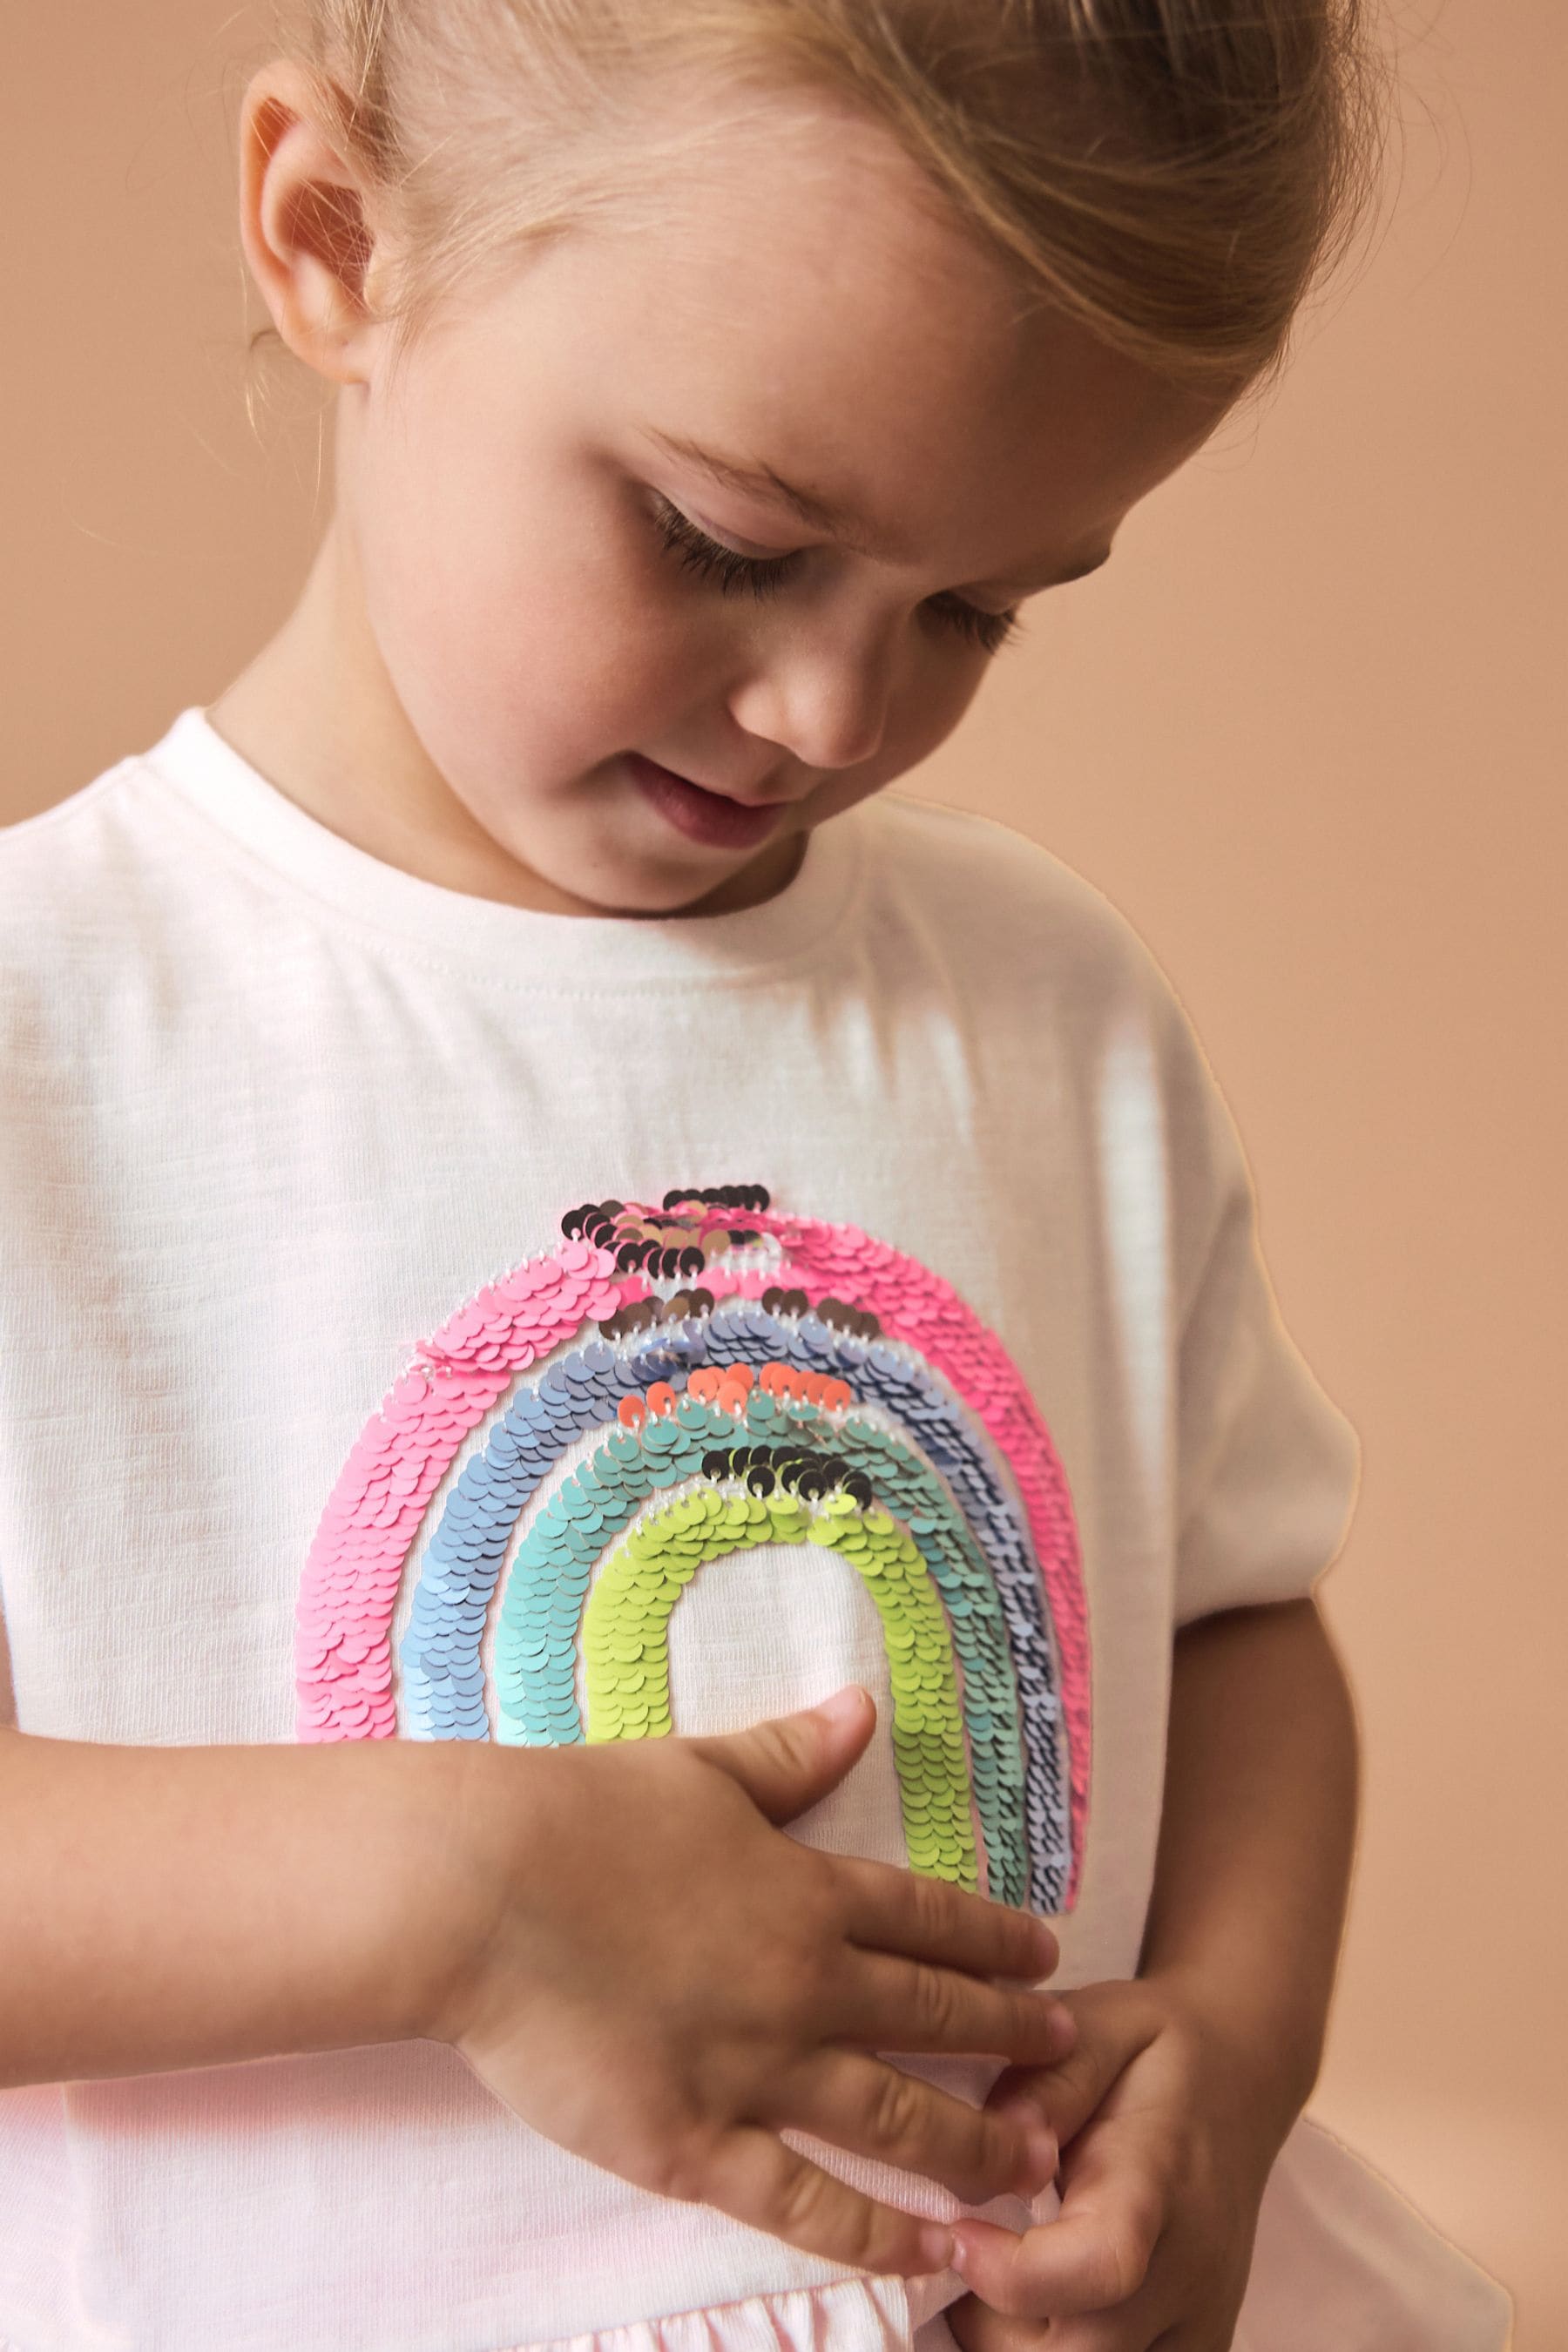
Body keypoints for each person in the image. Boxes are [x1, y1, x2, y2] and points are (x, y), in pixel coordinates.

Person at [0, 2, 1515, 2348]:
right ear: (334, 237)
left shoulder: (1045, 1004)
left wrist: (1232, 2034)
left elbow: (1237, 1622)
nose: (836, 710)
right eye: (727, 537)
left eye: (978, 605)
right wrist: (458, 1894)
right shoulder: (53, 1040)